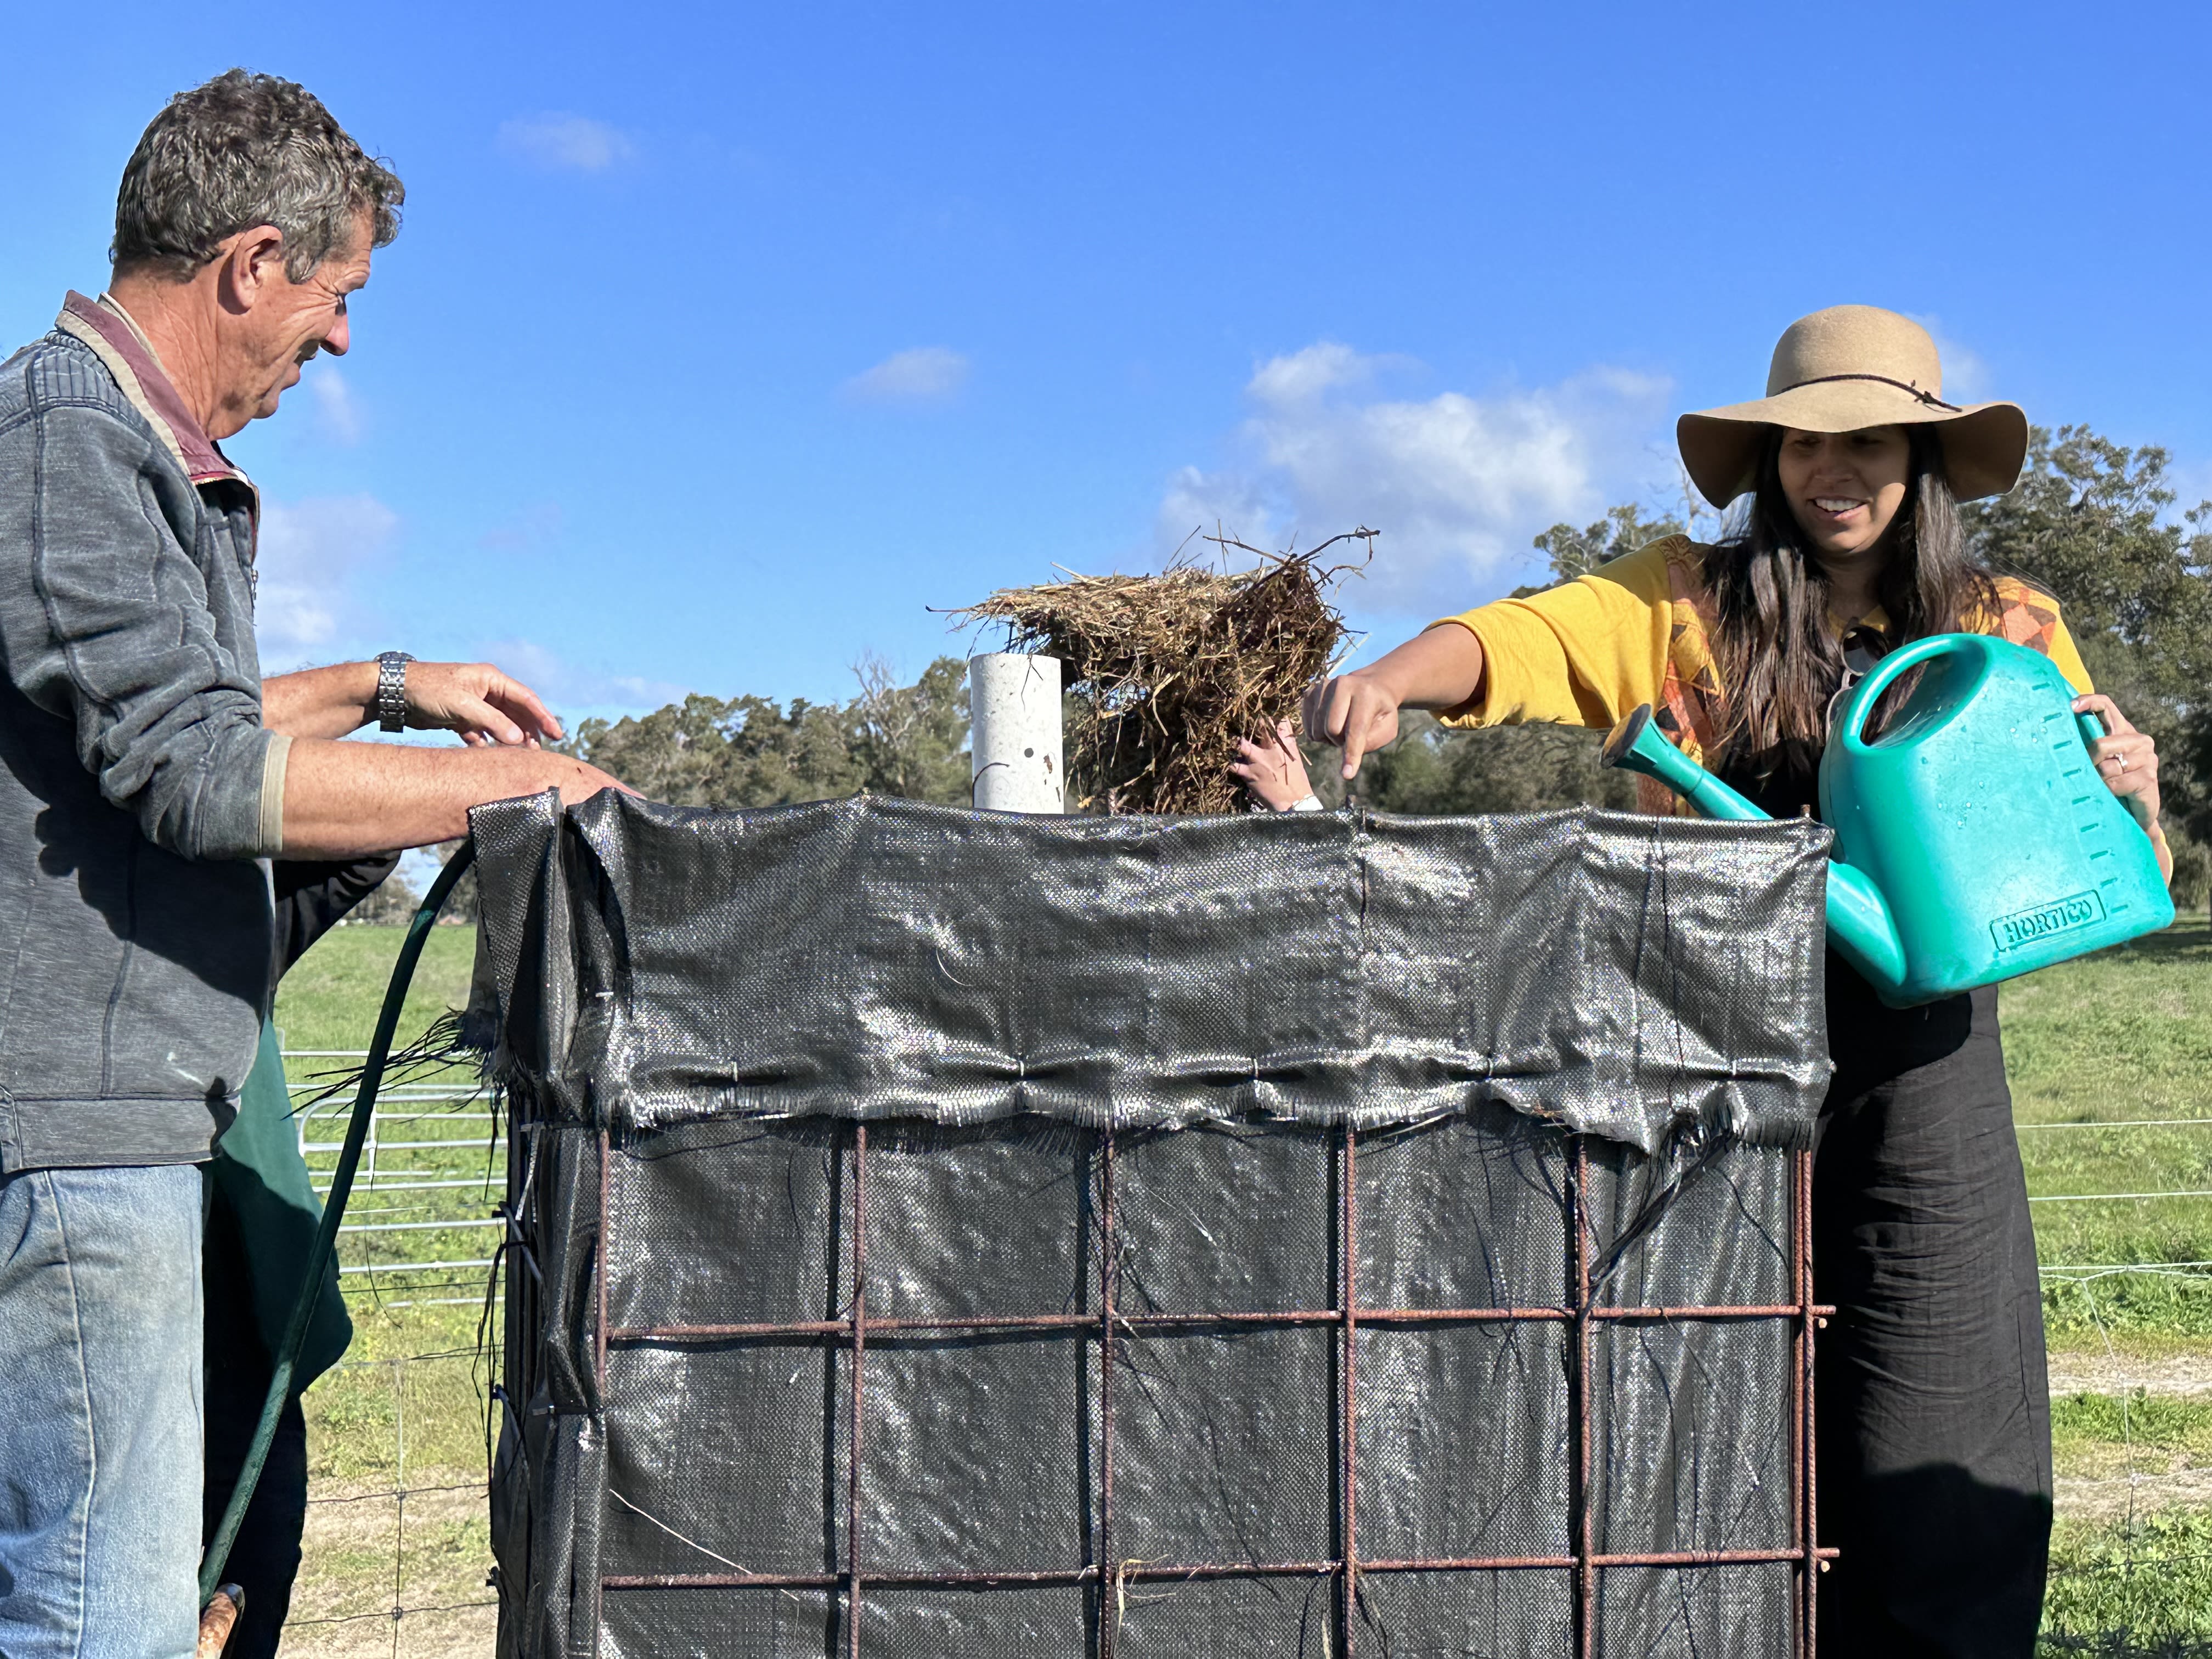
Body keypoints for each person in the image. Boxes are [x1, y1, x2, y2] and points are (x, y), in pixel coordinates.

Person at [1287, 306, 2169, 1658]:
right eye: (1805, 445)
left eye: (1869, 444)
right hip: (1710, 1049)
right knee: (1706, 1383)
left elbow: (2095, 851)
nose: (1835, 471)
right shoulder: (1684, 601)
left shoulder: (2006, 628)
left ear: (1921, 462)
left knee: (1939, 1396)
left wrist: (2130, 793)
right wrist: (1396, 681)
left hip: (1925, 1063)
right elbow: (1524, 640)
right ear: (1769, 461)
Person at [0, 70, 626, 1658]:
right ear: (251, 264)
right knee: (99, 1619)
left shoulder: (120, 451)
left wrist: (392, 691)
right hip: (78, 1138)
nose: (340, 340)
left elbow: (157, 726)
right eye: (337, 296)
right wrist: (519, 787)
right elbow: (197, 767)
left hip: (118, 1124)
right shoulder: (68, 440)